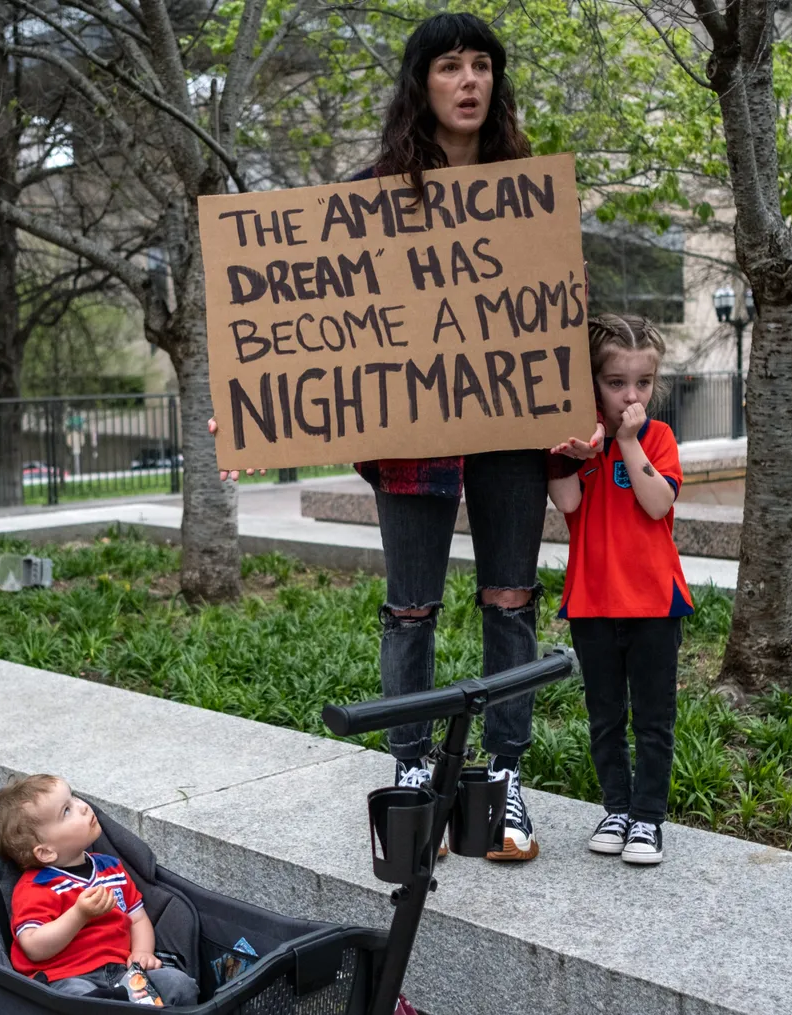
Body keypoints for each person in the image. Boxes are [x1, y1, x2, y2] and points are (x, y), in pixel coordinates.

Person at [211, 12, 604, 862]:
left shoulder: (525, 191)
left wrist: (580, 410)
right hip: (412, 440)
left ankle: (504, 778)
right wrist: (259, 406)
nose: (469, 81)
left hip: (509, 433)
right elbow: (310, 327)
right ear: (420, 83)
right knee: (409, 610)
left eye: (483, 66)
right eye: (450, 67)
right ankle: (414, 769)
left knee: (511, 601)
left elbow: (558, 320)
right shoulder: (368, 194)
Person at [547, 314, 692, 866]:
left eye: (643, 383)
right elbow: (567, 503)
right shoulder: (577, 445)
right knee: (605, 715)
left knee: (654, 719)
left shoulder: (658, 438)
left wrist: (628, 441)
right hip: (593, 603)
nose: (631, 394)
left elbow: (658, 503)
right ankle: (616, 807)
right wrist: (565, 454)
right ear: (592, 384)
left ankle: (648, 818)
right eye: (615, 383)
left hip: (656, 604)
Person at [0, 775, 200, 1005]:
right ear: (46, 852)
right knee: (80, 1001)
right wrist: (79, 914)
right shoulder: (36, 887)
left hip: (123, 975)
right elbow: (34, 946)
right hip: (67, 977)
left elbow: (137, 918)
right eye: (67, 811)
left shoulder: (112, 868)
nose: (84, 806)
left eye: (74, 797)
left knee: (181, 985)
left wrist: (142, 952)